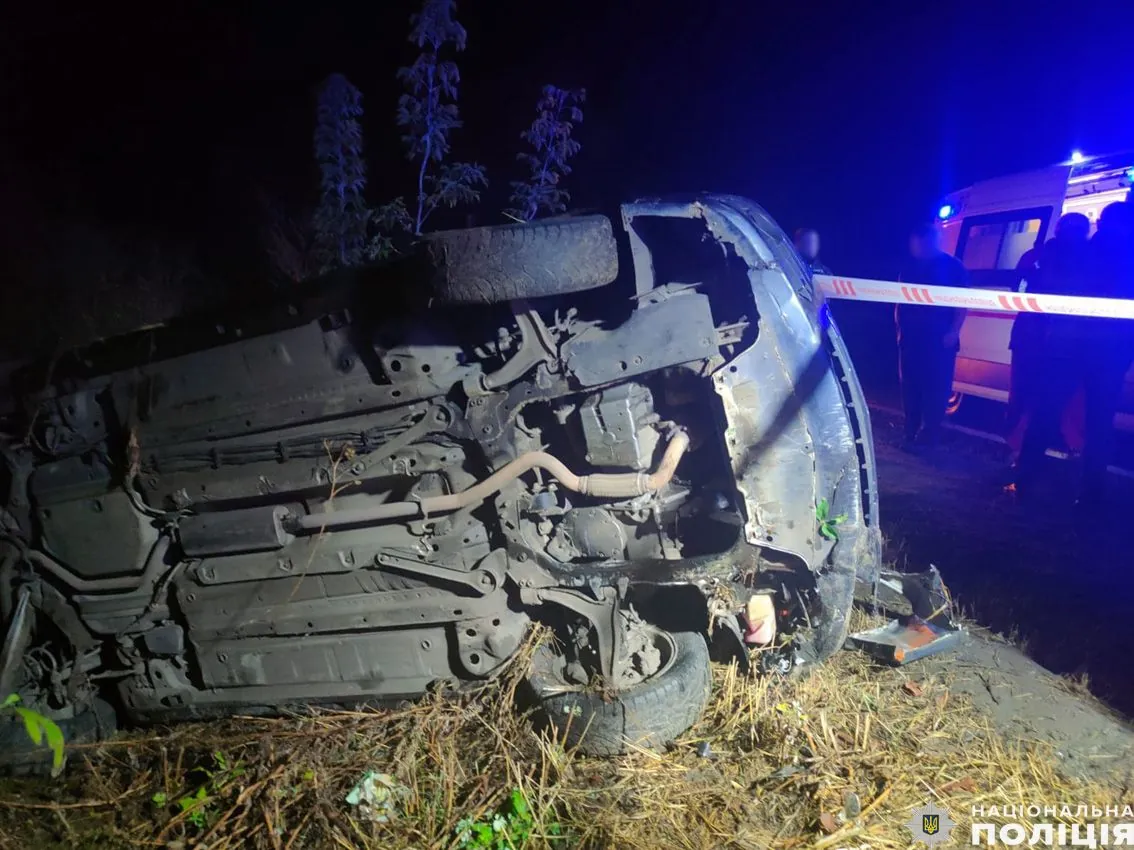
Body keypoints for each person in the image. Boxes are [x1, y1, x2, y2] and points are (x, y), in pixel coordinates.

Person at [1013, 201, 1134, 505]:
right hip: (1111, 352)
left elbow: (1050, 289)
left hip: (1066, 347)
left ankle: (1025, 478)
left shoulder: (1081, 252)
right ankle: (1091, 492)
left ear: (1102, 223)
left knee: (1046, 411)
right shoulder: (1127, 258)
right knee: (1099, 421)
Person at [1004, 213, 1092, 459]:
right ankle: (1066, 446)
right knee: (1066, 397)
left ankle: (1018, 449)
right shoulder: (1091, 258)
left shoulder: (1037, 256)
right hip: (1068, 344)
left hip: (1031, 339)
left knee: (1024, 395)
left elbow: (1017, 289)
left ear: (1057, 229)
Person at [895, 223, 969, 450]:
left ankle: (929, 438)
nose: (914, 248)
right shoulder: (909, 266)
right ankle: (910, 433)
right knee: (910, 387)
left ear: (930, 241)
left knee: (936, 389)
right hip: (912, 338)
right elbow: (899, 298)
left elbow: (962, 303)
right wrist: (898, 328)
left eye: (918, 243)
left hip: (940, 339)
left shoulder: (953, 267)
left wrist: (954, 330)